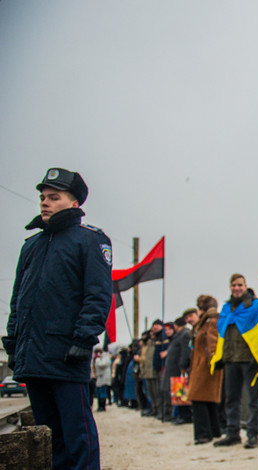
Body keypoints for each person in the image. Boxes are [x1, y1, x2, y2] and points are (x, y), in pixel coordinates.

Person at [2, 167, 112, 469]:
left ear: (74, 203)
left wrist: (83, 339)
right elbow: (19, 300)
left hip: (66, 354)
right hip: (33, 356)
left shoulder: (90, 240)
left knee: (78, 435)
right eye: (42, 197)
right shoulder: (31, 246)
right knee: (52, 437)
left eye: (54, 197)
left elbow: (98, 295)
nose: (44, 203)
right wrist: (13, 343)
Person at [211, 274, 258, 448]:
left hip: (248, 359)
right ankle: (232, 432)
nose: (237, 288)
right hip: (230, 359)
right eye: (234, 285)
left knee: (253, 399)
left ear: (245, 286)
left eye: (240, 285)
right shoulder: (227, 308)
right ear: (230, 287)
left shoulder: (255, 306)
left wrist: (257, 356)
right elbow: (221, 333)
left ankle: (253, 433)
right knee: (231, 399)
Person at [188, 295, 225, 445]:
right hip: (203, 366)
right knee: (208, 400)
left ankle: (203, 433)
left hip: (204, 367)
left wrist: (213, 361)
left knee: (199, 399)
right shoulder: (208, 321)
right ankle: (214, 430)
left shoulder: (210, 321)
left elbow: (213, 342)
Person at [164, 311, 195, 425]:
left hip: (179, 368)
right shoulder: (179, 335)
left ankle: (185, 415)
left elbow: (185, 351)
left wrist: (183, 365)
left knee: (182, 392)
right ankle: (181, 414)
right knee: (178, 393)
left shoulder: (184, 334)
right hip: (175, 367)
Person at [92, 347, 113, 411]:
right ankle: (100, 406)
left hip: (104, 377)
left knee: (102, 392)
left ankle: (102, 406)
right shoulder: (99, 358)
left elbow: (101, 364)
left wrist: (97, 359)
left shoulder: (105, 357)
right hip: (99, 377)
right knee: (98, 392)